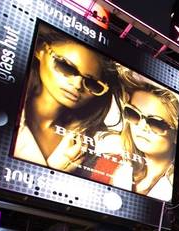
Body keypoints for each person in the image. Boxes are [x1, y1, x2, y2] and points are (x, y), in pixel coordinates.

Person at [14, 25, 119, 174]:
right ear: (41, 50)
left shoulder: (89, 142)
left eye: (92, 84)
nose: (77, 85)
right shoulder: (7, 97)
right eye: (66, 67)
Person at [104, 68, 179, 201]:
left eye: (155, 123)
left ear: (176, 134)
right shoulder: (106, 163)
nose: (142, 127)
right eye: (133, 114)